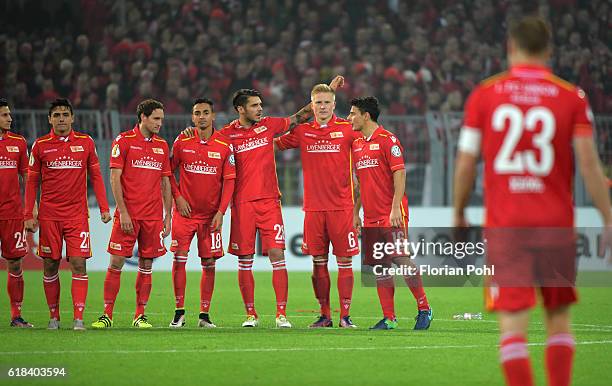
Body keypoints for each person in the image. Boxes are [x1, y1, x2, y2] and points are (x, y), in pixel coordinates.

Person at [453, 16, 612, 386]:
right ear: (550, 50)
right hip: (555, 224)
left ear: (510, 48)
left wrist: (459, 212)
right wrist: (607, 217)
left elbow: (465, 162)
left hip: (507, 226)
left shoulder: (486, 94)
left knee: (512, 329)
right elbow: (589, 163)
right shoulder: (571, 96)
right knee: (558, 321)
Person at [185, 76, 342, 328]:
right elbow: (204, 140)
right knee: (244, 259)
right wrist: (190, 132)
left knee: (277, 254)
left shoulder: (268, 125)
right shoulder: (226, 136)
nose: (260, 109)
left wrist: (328, 92)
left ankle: (281, 314)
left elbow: (299, 117)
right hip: (242, 204)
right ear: (240, 109)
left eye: (261, 105)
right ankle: (251, 315)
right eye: (255, 106)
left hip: (269, 201)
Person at [275, 83, 360, 328]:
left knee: (345, 262)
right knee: (318, 263)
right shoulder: (302, 131)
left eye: (327, 102)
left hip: (342, 208)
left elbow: (369, 144)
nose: (323, 107)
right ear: (311, 106)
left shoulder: (348, 129)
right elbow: (272, 145)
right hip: (313, 209)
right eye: (318, 103)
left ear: (335, 105)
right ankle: (325, 315)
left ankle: (345, 315)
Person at [24, 98, 111, 330]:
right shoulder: (40, 145)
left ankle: (78, 318)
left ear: (72, 117)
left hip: (77, 215)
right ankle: (54, 317)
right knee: (50, 265)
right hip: (49, 215)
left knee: (78, 263)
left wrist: (104, 207)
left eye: (65, 114)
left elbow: (96, 176)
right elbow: (32, 182)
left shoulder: (85, 142)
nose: (61, 118)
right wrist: (28, 214)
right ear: (49, 119)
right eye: (57, 115)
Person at [348, 96, 433, 330]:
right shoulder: (357, 144)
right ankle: (389, 318)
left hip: (391, 212)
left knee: (400, 258)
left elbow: (400, 174)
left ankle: (424, 308)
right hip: (371, 215)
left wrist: (396, 207)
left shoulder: (388, 140)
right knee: (381, 266)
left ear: (366, 116)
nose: (349, 118)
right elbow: (361, 185)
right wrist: (356, 213)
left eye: (353, 113)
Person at [92, 99, 173, 329]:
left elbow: (165, 182)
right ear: (143, 117)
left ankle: (140, 315)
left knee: (146, 264)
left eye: (162, 119)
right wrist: (124, 212)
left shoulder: (162, 145)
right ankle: (107, 314)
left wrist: (168, 216)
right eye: (156, 119)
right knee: (116, 262)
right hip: (128, 214)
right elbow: (114, 178)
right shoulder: (124, 141)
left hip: (153, 216)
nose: (160, 123)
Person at [168, 98, 235, 328]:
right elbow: (168, 171)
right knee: (179, 260)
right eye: (197, 113)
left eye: (206, 112)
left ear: (213, 116)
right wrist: (177, 197)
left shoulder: (225, 145)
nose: (202, 116)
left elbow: (229, 181)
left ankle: (204, 315)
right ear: (192, 117)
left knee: (209, 263)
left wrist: (221, 211)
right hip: (185, 215)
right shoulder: (182, 141)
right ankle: (179, 312)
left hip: (210, 217)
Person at [0, 98, 33, 327]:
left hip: (12, 212)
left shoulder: (19, 143)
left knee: (15, 263)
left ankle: (16, 316)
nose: (10, 118)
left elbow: (28, 178)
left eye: (9, 114)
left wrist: (31, 210)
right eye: (4, 115)